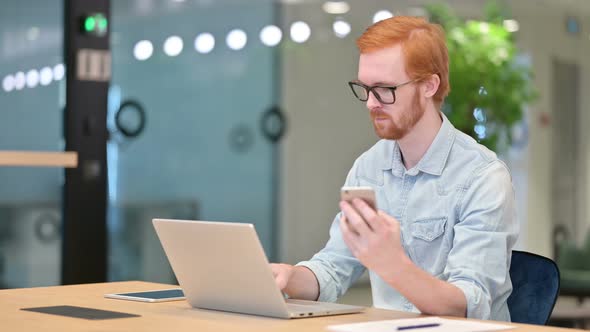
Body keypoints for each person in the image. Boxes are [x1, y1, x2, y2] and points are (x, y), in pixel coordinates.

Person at [271, 15, 518, 321]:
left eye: (384, 89)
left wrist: (392, 263)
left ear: (429, 85)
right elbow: (333, 268)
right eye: (365, 88)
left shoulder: (483, 177)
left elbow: (468, 303)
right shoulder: (368, 167)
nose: (370, 104)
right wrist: (288, 277)